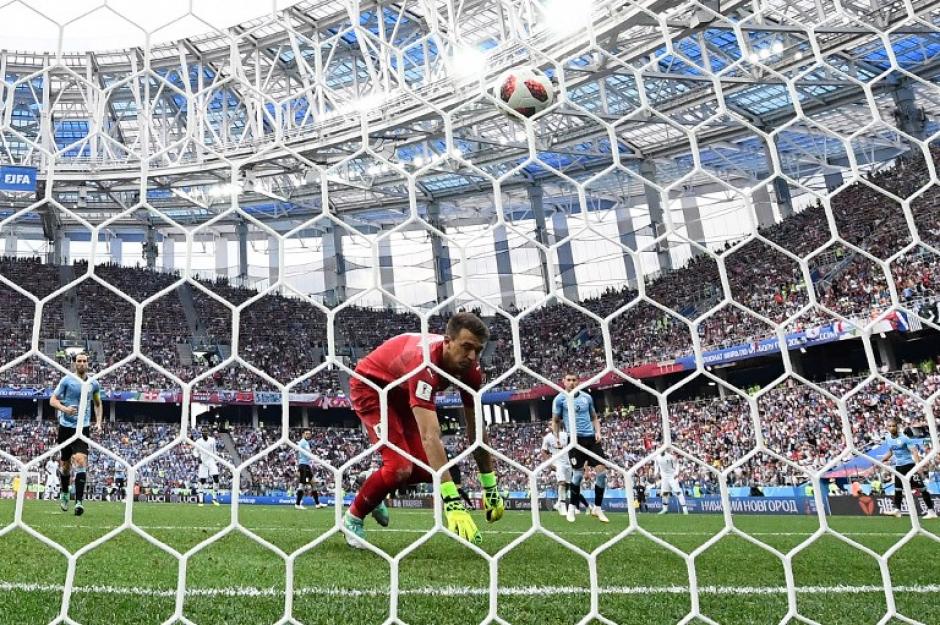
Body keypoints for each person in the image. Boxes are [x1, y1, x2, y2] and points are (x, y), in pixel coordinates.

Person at [343, 313, 504, 547]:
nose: (472, 357)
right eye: (466, 347)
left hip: (401, 391)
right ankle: (352, 518)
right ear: (447, 341)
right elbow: (431, 435)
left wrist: (490, 486)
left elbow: (476, 432)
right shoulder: (424, 363)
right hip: (372, 387)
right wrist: (453, 503)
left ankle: (373, 482)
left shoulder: (471, 371)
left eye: (477, 350)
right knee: (399, 468)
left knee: (431, 470)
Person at [49, 353, 102, 516]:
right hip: (65, 427)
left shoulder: (94, 383)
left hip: (82, 428)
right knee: (65, 466)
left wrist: (98, 422)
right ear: (74, 364)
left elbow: (98, 403)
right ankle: (64, 492)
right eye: (78, 361)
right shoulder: (67, 380)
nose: (81, 363)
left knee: (80, 460)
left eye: (84, 361)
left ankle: (79, 501)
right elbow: (53, 400)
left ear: (88, 364)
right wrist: (64, 409)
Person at [551, 372, 609, 523]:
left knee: (602, 472)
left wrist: (598, 432)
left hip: (591, 439)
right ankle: (571, 508)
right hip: (575, 441)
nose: (571, 382)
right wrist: (557, 438)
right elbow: (556, 420)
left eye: (574, 380)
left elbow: (594, 417)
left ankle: (597, 508)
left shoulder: (586, 398)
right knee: (577, 476)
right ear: (563, 381)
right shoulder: (560, 399)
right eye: (568, 380)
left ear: (578, 381)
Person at [881, 418, 937, 519]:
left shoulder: (904, 438)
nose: (892, 428)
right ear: (887, 428)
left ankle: (931, 511)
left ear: (897, 427)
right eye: (889, 426)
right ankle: (897, 510)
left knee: (922, 488)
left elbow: (914, 451)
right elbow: (891, 451)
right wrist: (882, 460)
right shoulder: (888, 438)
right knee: (898, 489)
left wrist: (917, 465)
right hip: (898, 467)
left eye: (893, 426)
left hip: (909, 466)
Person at [540, 427, 572, 516]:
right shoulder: (547, 437)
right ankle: (562, 506)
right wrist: (549, 463)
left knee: (567, 484)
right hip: (557, 462)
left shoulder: (565, 435)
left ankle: (558, 502)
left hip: (567, 462)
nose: (551, 425)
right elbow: (543, 451)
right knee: (562, 482)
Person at [295, 430, 326, 509]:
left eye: (309, 434)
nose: (308, 435)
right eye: (306, 434)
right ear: (303, 434)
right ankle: (297, 504)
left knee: (313, 484)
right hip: (303, 466)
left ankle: (317, 504)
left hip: (306, 465)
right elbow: (308, 452)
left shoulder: (305, 442)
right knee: (302, 483)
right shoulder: (303, 442)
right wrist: (316, 457)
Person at [655, 450, 688, 515]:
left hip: (672, 476)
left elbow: (677, 464)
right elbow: (656, 465)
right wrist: (656, 473)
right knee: (664, 493)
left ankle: (685, 510)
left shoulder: (670, 457)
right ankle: (665, 509)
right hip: (664, 477)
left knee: (678, 492)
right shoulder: (657, 457)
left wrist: (676, 473)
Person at [193, 430, 221, 506]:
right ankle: (201, 500)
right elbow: (195, 451)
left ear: (208, 432)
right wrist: (198, 457)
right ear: (201, 433)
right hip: (203, 461)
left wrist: (216, 459)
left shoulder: (212, 440)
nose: (205, 433)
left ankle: (214, 498)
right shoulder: (198, 441)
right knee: (202, 480)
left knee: (216, 477)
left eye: (206, 431)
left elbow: (214, 451)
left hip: (211, 460)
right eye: (203, 432)